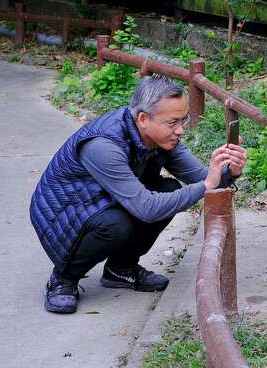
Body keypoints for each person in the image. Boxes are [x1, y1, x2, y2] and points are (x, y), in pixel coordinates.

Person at [30, 75, 246, 314]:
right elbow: (148, 207)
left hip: (106, 201)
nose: (180, 130)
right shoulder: (103, 145)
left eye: (182, 120)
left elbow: (203, 179)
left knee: (169, 190)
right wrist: (206, 185)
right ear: (143, 119)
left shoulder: (163, 138)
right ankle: (62, 278)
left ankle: (120, 269)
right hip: (64, 213)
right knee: (117, 225)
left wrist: (228, 171)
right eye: (172, 122)